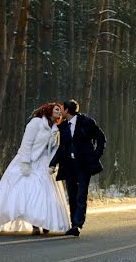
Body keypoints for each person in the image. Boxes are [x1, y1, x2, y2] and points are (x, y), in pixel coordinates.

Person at [0, 103, 70, 234]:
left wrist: (53, 164)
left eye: (60, 111)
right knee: (29, 193)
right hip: (29, 161)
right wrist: (25, 163)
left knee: (46, 195)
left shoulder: (56, 128)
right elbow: (26, 144)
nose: (59, 112)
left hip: (44, 164)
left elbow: (55, 148)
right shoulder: (36, 123)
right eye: (57, 109)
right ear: (49, 110)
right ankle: (35, 225)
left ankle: (45, 222)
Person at [50, 99, 106, 237]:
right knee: (72, 195)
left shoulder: (87, 122)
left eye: (62, 109)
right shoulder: (63, 127)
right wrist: (53, 162)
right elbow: (62, 147)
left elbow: (101, 138)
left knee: (81, 195)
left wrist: (95, 155)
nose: (61, 111)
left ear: (67, 110)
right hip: (69, 166)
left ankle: (77, 224)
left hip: (83, 165)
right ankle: (73, 223)